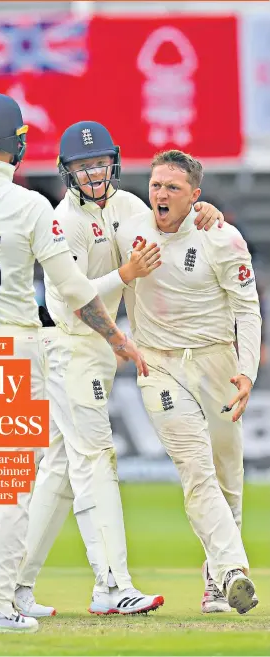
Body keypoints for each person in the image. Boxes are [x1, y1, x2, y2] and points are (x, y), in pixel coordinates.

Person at [0, 12, 148, 634]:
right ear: (19, 145)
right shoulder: (31, 206)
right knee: (13, 488)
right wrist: (117, 327)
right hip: (16, 348)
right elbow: (75, 294)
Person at [14, 123, 224, 616]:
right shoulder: (63, 220)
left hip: (100, 351)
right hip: (71, 345)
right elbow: (74, 299)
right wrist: (126, 279)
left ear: (115, 162)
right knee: (97, 459)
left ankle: (12, 582)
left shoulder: (130, 206)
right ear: (67, 172)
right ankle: (111, 586)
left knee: (62, 470)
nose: (93, 174)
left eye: (100, 163)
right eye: (82, 166)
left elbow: (174, 225)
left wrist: (202, 210)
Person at [113, 149, 261, 615]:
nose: (160, 194)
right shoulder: (131, 228)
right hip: (159, 365)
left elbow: (247, 309)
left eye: (173, 188)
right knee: (195, 471)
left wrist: (248, 371)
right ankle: (233, 571)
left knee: (226, 478)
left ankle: (216, 582)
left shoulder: (222, 237)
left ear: (195, 196)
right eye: (156, 185)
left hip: (217, 362)